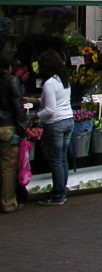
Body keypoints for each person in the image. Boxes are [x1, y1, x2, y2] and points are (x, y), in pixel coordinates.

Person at [33, 49, 72, 206]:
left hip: (56, 123)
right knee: (62, 158)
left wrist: (36, 116)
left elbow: (50, 110)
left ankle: (58, 194)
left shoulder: (49, 83)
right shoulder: (63, 80)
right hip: (69, 119)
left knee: (56, 160)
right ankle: (62, 190)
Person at [0, 52, 27, 213]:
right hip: (7, 127)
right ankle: (8, 202)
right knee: (8, 167)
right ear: (10, 67)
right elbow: (18, 105)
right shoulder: (12, 81)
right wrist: (22, 129)